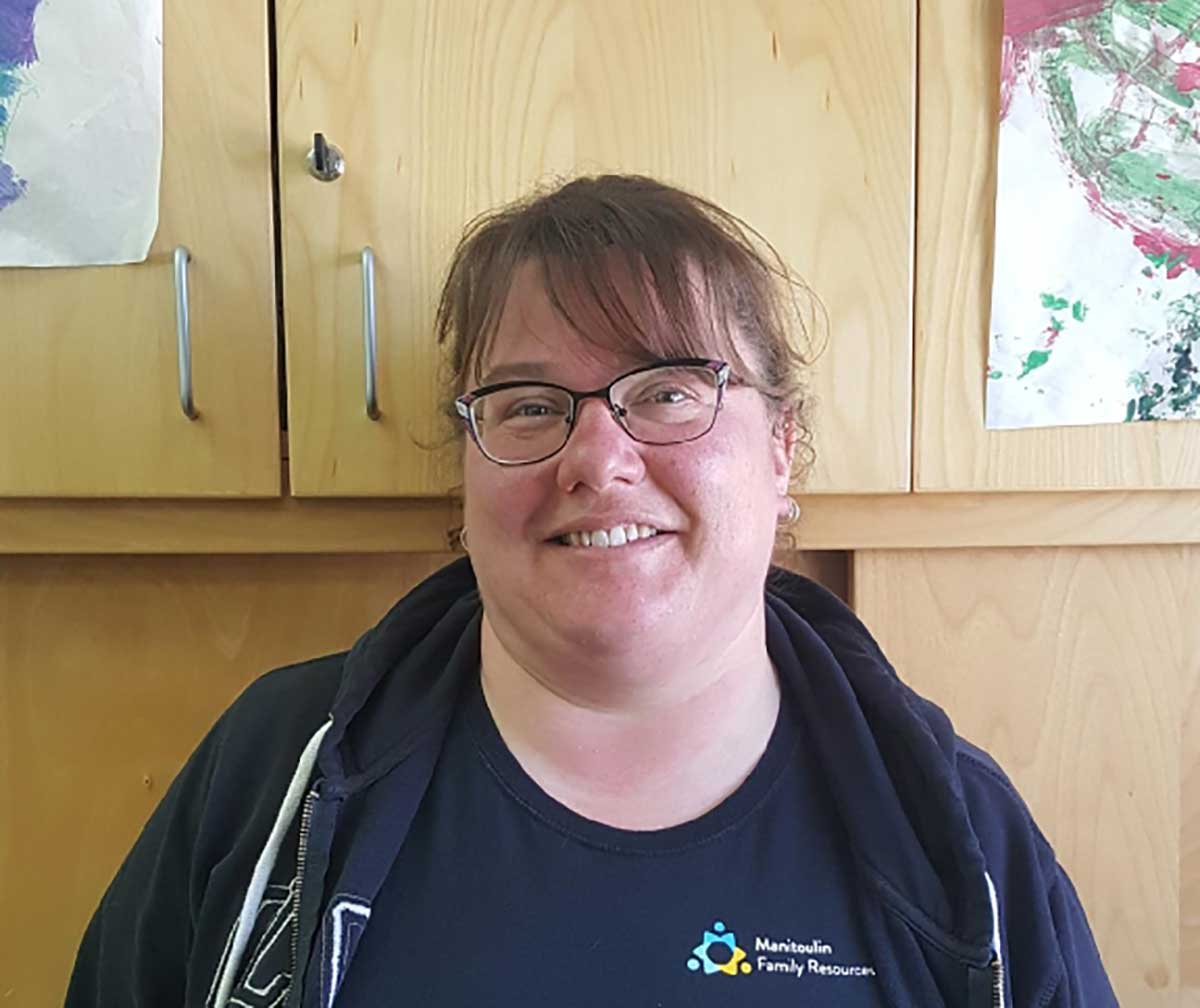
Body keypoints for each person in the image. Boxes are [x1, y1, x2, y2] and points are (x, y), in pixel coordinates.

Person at [66, 175, 1117, 1007]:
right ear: (468, 466)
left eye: (667, 391)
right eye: (529, 405)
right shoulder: (272, 774)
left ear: (781, 447)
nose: (598, 459)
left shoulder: (956, 832)